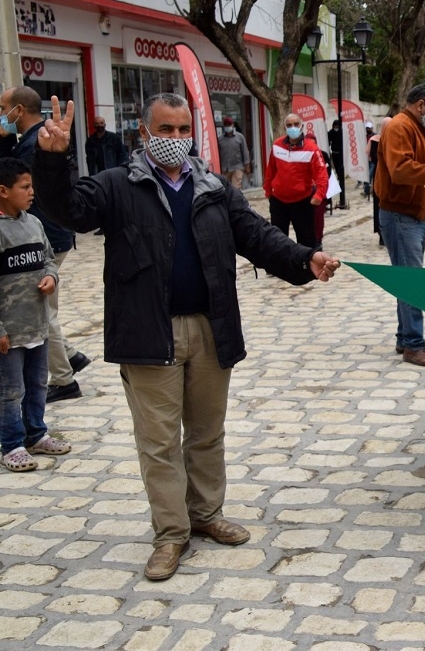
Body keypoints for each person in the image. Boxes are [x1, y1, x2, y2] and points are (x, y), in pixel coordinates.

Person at [32, 92, 340, 580]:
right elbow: (69, 209)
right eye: (166, 131)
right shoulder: (116, 186)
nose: (176, 140)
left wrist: (306, 258)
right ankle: (170, 533)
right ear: (145, 134)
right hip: (147, 333)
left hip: (210, 328)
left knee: (206, 434)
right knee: (158, 442)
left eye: (183, 130)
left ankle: (207, 515)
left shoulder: (214, 187)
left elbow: (257, 236)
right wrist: (53, 160)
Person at [3, 86, 89, 403]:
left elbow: (13, 186)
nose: (2, 115)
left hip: (45, 237)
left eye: (3, 108)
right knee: (46, 309)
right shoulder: (28, 140)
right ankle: (70, 357)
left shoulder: (38, 142)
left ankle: (64, 379)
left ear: (19, 111)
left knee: (43, 312)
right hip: (51, 233)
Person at [374, 84, 425, 366]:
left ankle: (406, 336)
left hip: (412, 215)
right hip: (400, 216)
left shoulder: (415, 128)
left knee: (407, 279)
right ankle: (413, 344)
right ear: (421, 105)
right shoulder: (400, 126)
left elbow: (415, 170)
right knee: (412, 281)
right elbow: (400, 169)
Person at [0, 157, 71, 473]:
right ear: (3, 190)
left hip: (37, 325)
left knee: (37, 384)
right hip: (9, 332)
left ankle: (36, 433)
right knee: (9, 391)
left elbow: (48, 260)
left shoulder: (34, 223)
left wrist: (51, 277)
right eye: (25, 186)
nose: (32, 192)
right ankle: (11, 443)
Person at [263, 113, 328, 248]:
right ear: (285, 127)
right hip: (279, 200)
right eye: (289, 125)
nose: (292, 128)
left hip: (302, 201)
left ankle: (305, 267)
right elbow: (271, 170)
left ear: (302, 126)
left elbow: (321, 174)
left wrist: (319, 194)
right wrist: (268, 190)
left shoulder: (311, 149)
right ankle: (279, 268)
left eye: (296, 124)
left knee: (306, 240)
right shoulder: (277, 146)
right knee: (277, 239)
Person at [217, 117, 251, 190]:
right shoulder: (220, 139)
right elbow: (218, 154)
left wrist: (247, 165)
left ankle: (237, 201)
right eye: (226, 125)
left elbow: (245, 151)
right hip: (225, 168)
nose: (228, 126)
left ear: (232, 125)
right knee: (226, 188)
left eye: (229, 124)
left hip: (237, 167)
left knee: (236, 188)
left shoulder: (240, 137)